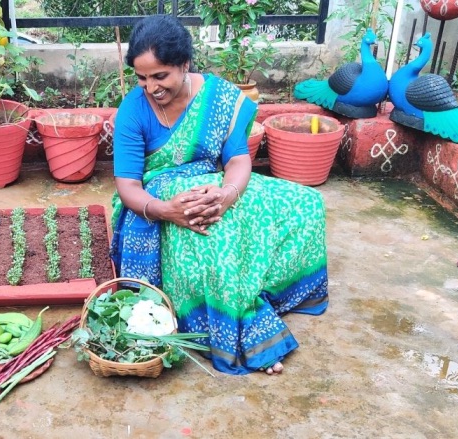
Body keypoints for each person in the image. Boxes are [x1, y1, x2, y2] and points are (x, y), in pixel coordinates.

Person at [110, 14, 328, 375]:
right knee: (215, 237)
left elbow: (239, 160)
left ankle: (264, 289)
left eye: (160, 75)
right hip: (156, 198)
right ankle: (237, 320)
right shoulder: (133, 109)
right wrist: (167, 210)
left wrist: (227, 195)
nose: (151, 87)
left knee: (306, 203)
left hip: (214, 188)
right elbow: (128, 186)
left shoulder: (219, 97)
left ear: (184, 64)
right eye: (142, 77)